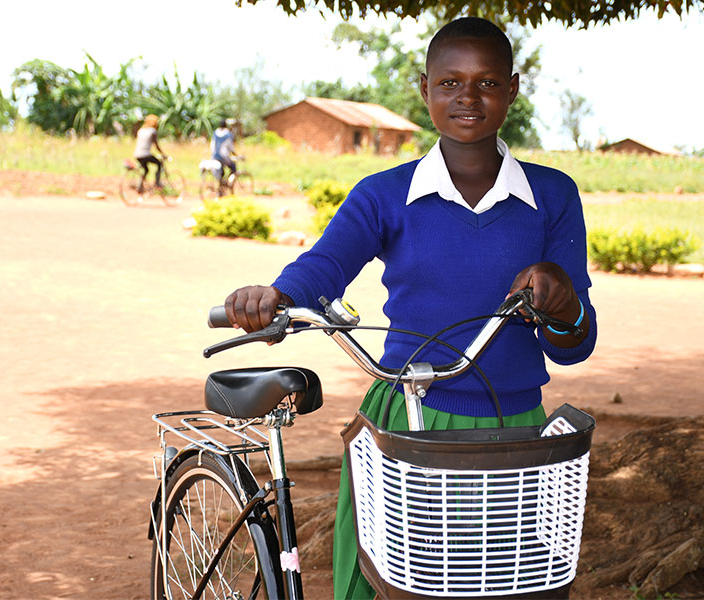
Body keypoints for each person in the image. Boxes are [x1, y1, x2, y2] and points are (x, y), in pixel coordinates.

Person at [223, 17, 597, 599]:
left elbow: (575, 344)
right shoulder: (384, 195)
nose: (467, 98)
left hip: (515, 434)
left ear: (513, 89)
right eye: (449, 83)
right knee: (390, 585)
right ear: (424, 89)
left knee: (507, 584)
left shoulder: (552, 196)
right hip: (406, 422)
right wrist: (277, 297)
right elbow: (325, 267)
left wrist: (562, 300)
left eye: (487, 83)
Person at [133, 114, 166, 191]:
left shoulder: (141, 130)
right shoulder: (152, 131)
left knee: (146, 170)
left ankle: (140, 186)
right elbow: (156, 145)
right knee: (159, 164)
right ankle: (157, 183)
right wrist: (163, 154)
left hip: (137, 154)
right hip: (145, 154)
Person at [211, 119, 238, 185]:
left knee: (221, 169)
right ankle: (228, 183)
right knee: (233, 167)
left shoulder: (215, 133)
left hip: (214, 156)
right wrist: (234, 154)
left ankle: (221, 182)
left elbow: (212, 145)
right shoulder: (228, 134)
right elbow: (230, 147)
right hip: (223, 156)